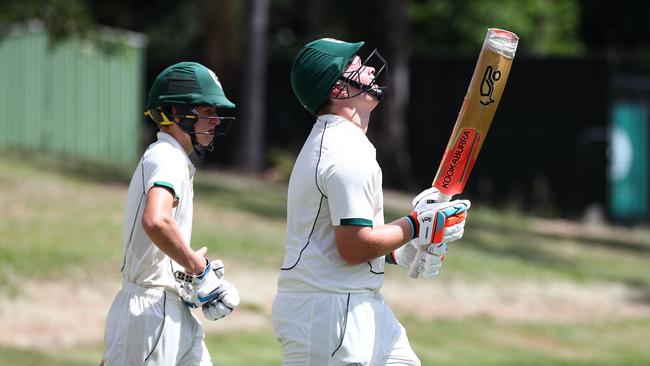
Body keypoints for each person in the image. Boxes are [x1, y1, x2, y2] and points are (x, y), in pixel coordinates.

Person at [271, 38, 472, 365]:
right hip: (327, 313)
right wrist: (417, 225)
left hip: (357, 302)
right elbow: (354, 248)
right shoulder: (343, 151)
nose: (369, 70)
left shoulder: (343, 143)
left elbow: (345, 240)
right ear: (338, 90)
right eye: (357, 67)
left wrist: (398, 252)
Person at [102, 62, 240, 366]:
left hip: (164, 309)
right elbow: (156, 220)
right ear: (176, 113)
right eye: (207, 111)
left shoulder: (171, 157)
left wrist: (188, 275)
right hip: (151, 314)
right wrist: (198, 269)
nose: (216, 121)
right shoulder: (167, 157)